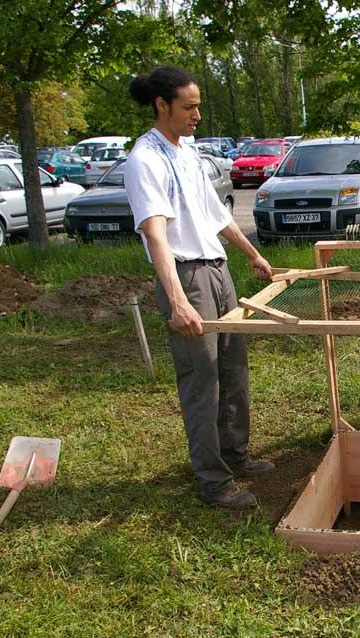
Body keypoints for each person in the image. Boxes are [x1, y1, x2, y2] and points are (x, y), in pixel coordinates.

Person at [124, 65, 275, 509]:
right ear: (161, 105)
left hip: (218, 268)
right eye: (188, 107)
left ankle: (236, 455)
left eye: (199, 106)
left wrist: (251, 253)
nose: (197, 115)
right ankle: (213, 481)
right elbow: (155, 235)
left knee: (234, 370)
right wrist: (177, 302)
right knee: (202, 381)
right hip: (186, 278)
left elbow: (216, 214)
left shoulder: (187, 153)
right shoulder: (144, 160)